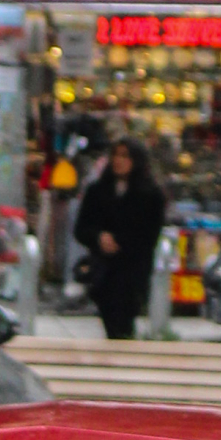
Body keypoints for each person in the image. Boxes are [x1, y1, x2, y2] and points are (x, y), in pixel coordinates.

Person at [74, 136, 166, 340]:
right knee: (110, 321)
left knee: (123, 325)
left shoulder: (151, 195)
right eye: (115, 155)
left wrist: (121, 243)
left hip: (132, 273)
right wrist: (99, 238)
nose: (119, 160)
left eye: (125, 156)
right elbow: (81, 228)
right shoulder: (97, 191)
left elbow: (150, 235)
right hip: (103, 272)